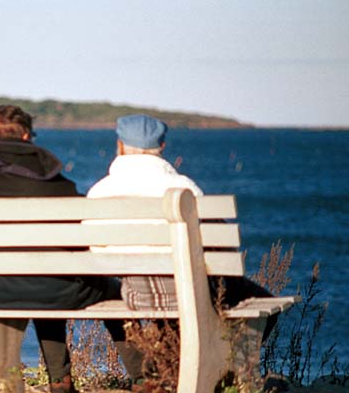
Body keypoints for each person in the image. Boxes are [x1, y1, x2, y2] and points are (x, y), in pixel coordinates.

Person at [0, 105, 144, 393]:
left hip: (1, 290)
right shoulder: (51, 178)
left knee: (43, 277)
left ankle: (61, 382)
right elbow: (81, 239)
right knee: (111, 291)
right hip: (58, 289)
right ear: (27, 135)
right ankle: (143, 380)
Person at [88, 114, 275, 325]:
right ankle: (229, 356)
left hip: (136, 296)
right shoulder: (184, 188)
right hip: (192, 294)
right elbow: (215, 243)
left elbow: (96, 249)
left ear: (120, 146)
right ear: (162, 146)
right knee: (266, 304)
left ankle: (169, 354)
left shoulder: (99, 192)